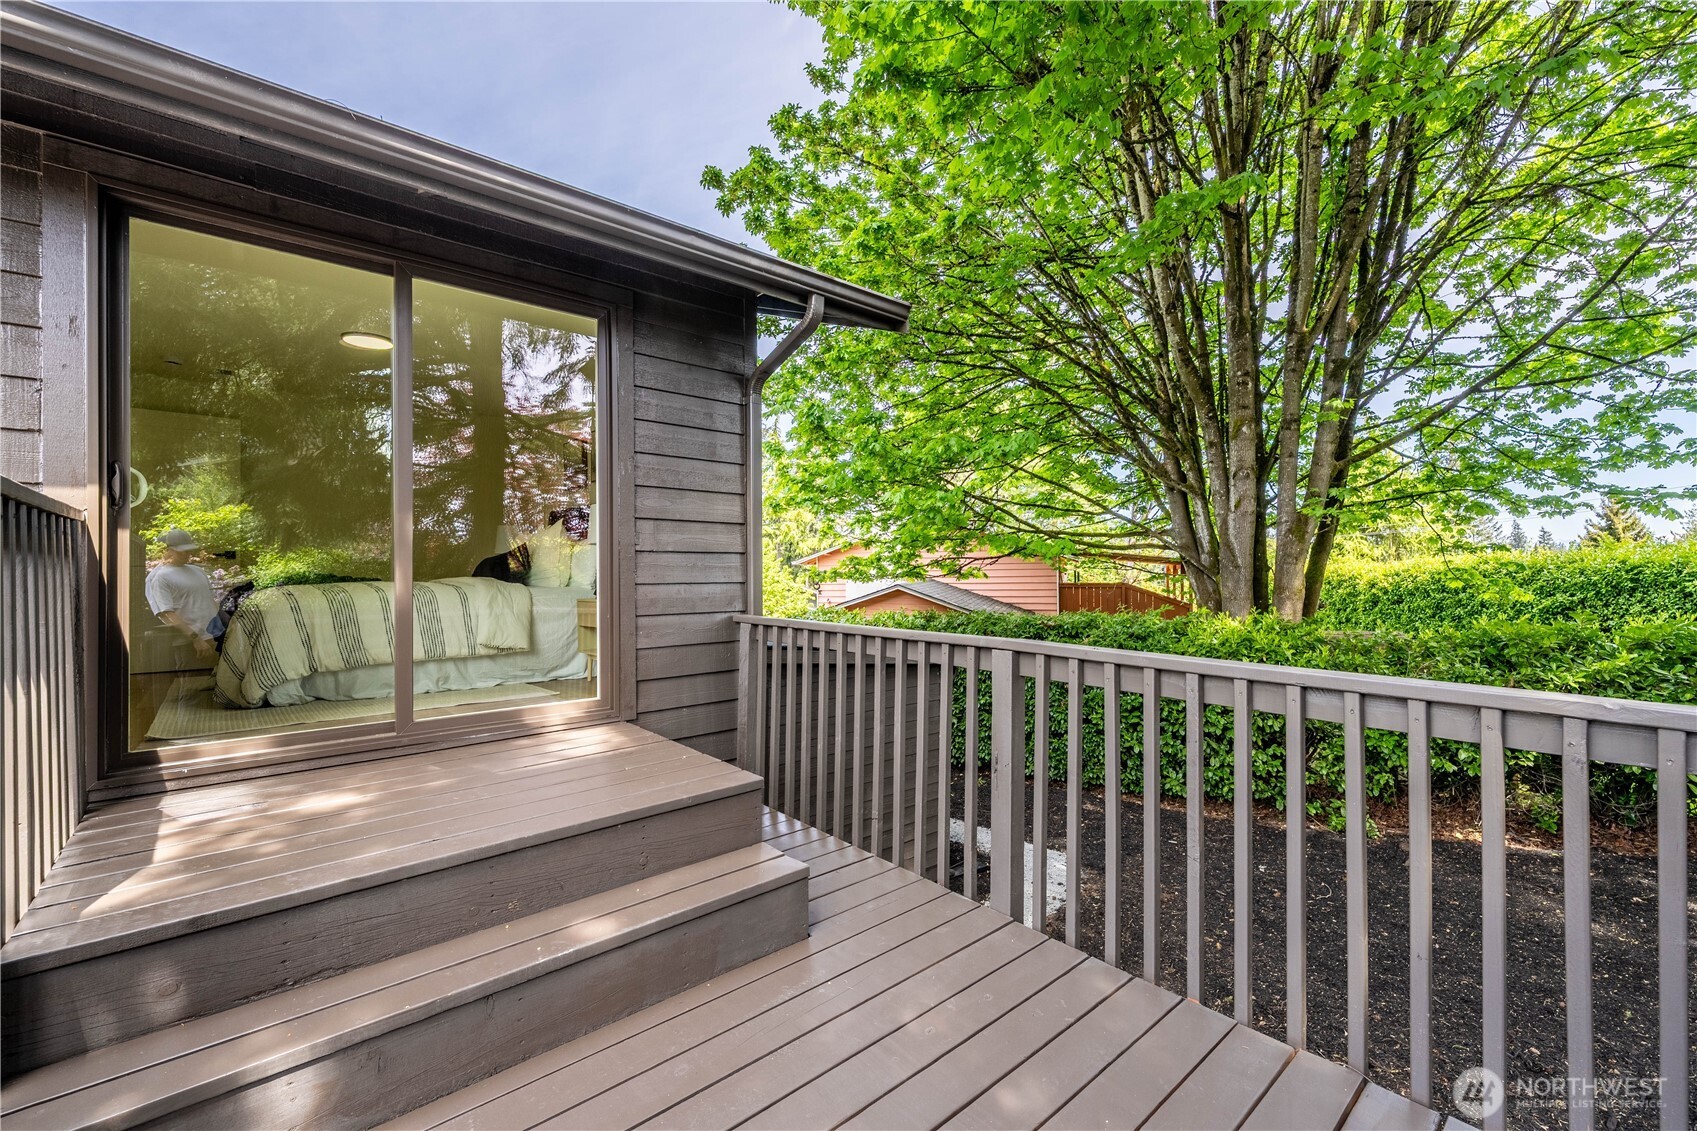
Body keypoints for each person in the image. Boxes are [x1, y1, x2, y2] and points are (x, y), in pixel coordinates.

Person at [145, 528, 223, 660]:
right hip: (190, 644)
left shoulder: (199, 571)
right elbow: (168, 614)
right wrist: (196, 639)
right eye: (183, 551)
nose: (188, 554)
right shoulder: (161, 577)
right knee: (193, 680)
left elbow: (211, 602)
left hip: (214, 638)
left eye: (189, 550)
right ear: (170, 550)